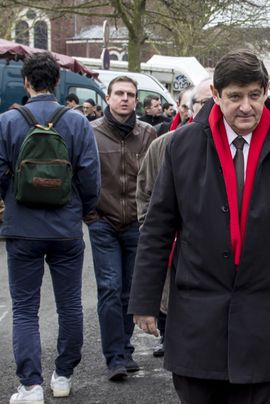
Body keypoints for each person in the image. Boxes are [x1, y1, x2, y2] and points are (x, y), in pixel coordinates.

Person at [129, 50, 270, 403]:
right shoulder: (182, 146)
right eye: (235, 96)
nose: (246, 107)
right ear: (217, 94)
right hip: (197, 312)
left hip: (264, 312)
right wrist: (144, 300)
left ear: (267, 91)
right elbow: (158, 229)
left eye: (254, 95)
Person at [0, 52, 100, 404]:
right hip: (66, 228)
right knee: (70, 305)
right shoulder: (76, 122)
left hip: (22, 227)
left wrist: (9, 201)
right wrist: (83, 211)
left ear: (26, 82)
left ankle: (30, 386)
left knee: (25, 309)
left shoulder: (7, 121)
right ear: (57, 83)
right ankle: (63, 375)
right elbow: (90, 176)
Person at [135, 78, 213, 360]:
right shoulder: (165, 145)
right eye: (204, 102)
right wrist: (151, 226)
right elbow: (146, 193)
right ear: (188, 110)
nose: (212, 108)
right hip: (175, 244)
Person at [87, 75, 157, 381]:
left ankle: (125, 349)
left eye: (130, 94)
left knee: (130, 290)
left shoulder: (148, 133)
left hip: (136, 224)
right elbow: (81, 173)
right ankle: (114, 356)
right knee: (110, 288)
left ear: (136, 99)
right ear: (108, 97)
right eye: (119, 93)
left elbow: (156, 177)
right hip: (103, 221)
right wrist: (91, 215)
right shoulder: (91, 132)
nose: (124, 98)